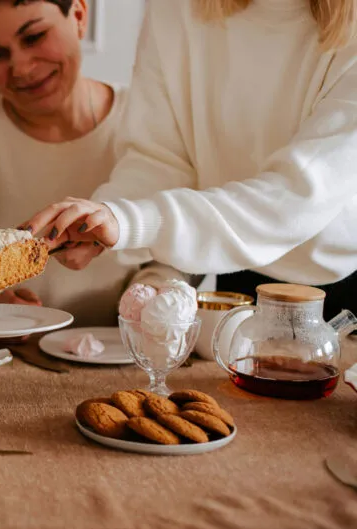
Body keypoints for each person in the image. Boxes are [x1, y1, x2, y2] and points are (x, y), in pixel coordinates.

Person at [24, 0, 357, 318]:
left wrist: (128, 220)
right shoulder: (177, 8)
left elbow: (297, 195)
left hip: (343, 290)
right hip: (238, 274)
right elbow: (159, 157)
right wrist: (100, 221)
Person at [0, 0, 187, 326]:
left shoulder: (153, 127)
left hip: (127, 353)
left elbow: (179, 249)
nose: (21, 68)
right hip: (0, 357)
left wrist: (147, 296)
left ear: (78, 16)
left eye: (34, 37)